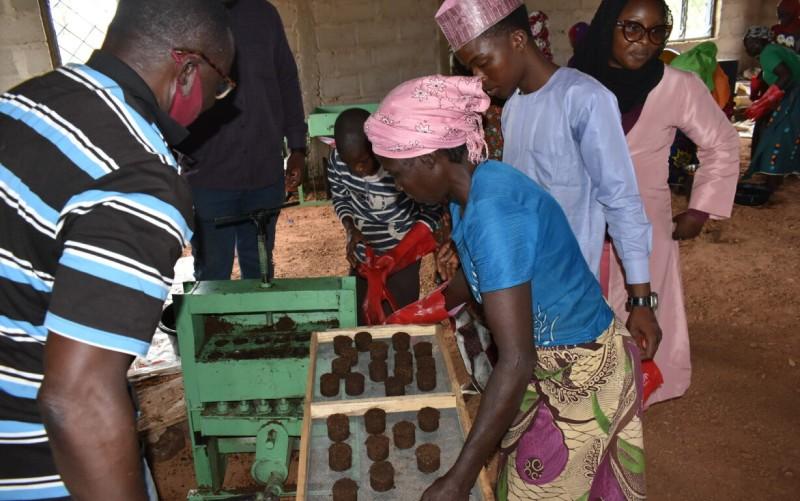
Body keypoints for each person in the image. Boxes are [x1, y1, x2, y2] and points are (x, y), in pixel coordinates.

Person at [365, 74, 645, 501]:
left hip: (582, 369)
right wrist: (425, 309)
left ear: (431, 159)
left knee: (535, 487)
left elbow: (515, 359)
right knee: (519, 468)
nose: (398, 186)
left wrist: (457, 480)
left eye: (398, 173)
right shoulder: (475, 186)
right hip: (549, 361)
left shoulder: (493, 215)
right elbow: (480, 277)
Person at [0, 0, 233, 499]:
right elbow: (77, 398)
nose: (216, 105)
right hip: (36, 470)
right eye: (221, 88)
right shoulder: (134, 175)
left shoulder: (27, 101)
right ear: (188, 70)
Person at [435, 0, 662, 360]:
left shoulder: (584, 99)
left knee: (575, 399)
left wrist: (641, 301)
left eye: (482, 62)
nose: (479, 79)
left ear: (518, 40)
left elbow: (621, 202)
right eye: (470, 69)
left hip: (571, 292)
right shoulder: (514, 109)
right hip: (524, 287)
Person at [573, 0, 740, 405]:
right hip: (582, 220)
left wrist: (701, 207)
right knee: (583, 303)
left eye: (655, 32)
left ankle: (643, 386)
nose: (644, 42)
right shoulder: (573, 84)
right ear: (606, 26)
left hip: (646, 220)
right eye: (631, 28)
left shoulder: (677, 87)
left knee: (645, 306)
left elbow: (721, 141)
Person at [180, 0, 306, 281]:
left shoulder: (263, 14)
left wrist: (298, 147)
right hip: (207, 176)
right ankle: (213, 322)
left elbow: (286, 79)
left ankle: (260, 323)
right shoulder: (184, 16)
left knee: (260, 266)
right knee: (212, 270)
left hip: (264, 171)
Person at [327, 108, 442, 324]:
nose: (358, 169)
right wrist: (351, 229)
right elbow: (340, 197)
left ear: (375, 147)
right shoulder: (337, 160)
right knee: (363, 318)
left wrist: (400, 253)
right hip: (364, 256)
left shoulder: (399, 165)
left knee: (397, 319)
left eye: (362, 161)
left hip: (403, 253)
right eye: (349, 164)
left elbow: (432, 210)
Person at [743, 26, 800, 188]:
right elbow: (770, 75)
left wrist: (766, 100)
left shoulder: (768, 52)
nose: (747, 46)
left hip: (796, 94)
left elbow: (786, 75)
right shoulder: (771, 51)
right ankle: (778, 174)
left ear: (760, 42)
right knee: (784, 132)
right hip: (794, 93)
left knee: (778, 135)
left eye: (750, 42)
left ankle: (773, 179)